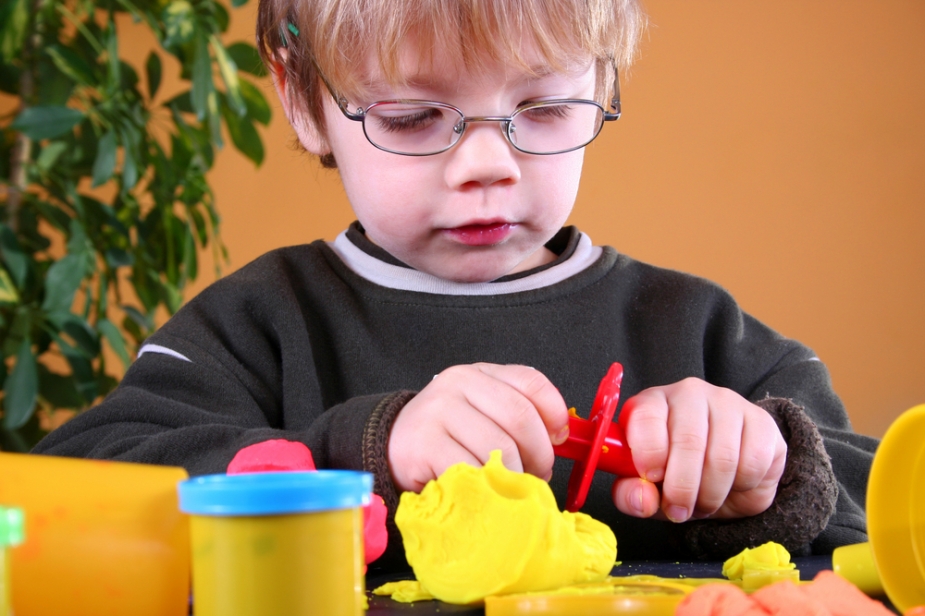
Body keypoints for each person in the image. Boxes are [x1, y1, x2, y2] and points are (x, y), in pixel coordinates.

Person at [33, 0, 877, 572]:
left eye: (543, 109)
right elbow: (75, 488)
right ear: (302, 99)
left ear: (602, 88)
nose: (487, 165)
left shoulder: (699, 331)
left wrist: (774, 471)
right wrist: (363, 454)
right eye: (410, 117)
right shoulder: (262, 323)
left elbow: (881, 511)